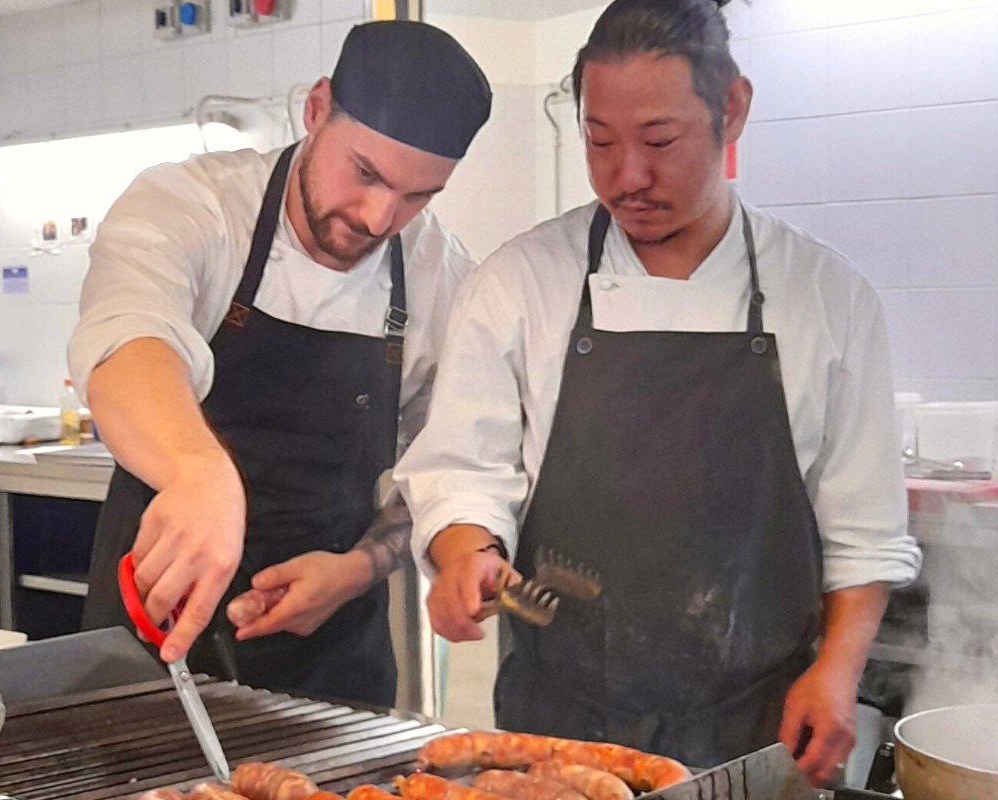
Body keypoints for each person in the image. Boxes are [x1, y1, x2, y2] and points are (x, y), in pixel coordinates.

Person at [394, 0, 920, 785]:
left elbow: (864, 529)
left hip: (759, 730)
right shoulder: (519, 285)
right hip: (557, 739)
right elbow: (460, 475)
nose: (626, 178)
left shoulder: (828, 299)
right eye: (599, 142)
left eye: (659, 142)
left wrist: (838, 671)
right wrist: (466, 553)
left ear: (732, 109)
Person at [70, 20, 491, 707]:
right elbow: (127, 342)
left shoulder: (443, 276)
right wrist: (198, 473)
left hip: (331, 653)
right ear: (317, 108)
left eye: (419, 197)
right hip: (154, 628)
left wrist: (358, 569)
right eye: (365, 172)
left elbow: (445, 461)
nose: (381, 217)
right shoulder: (194, 207)